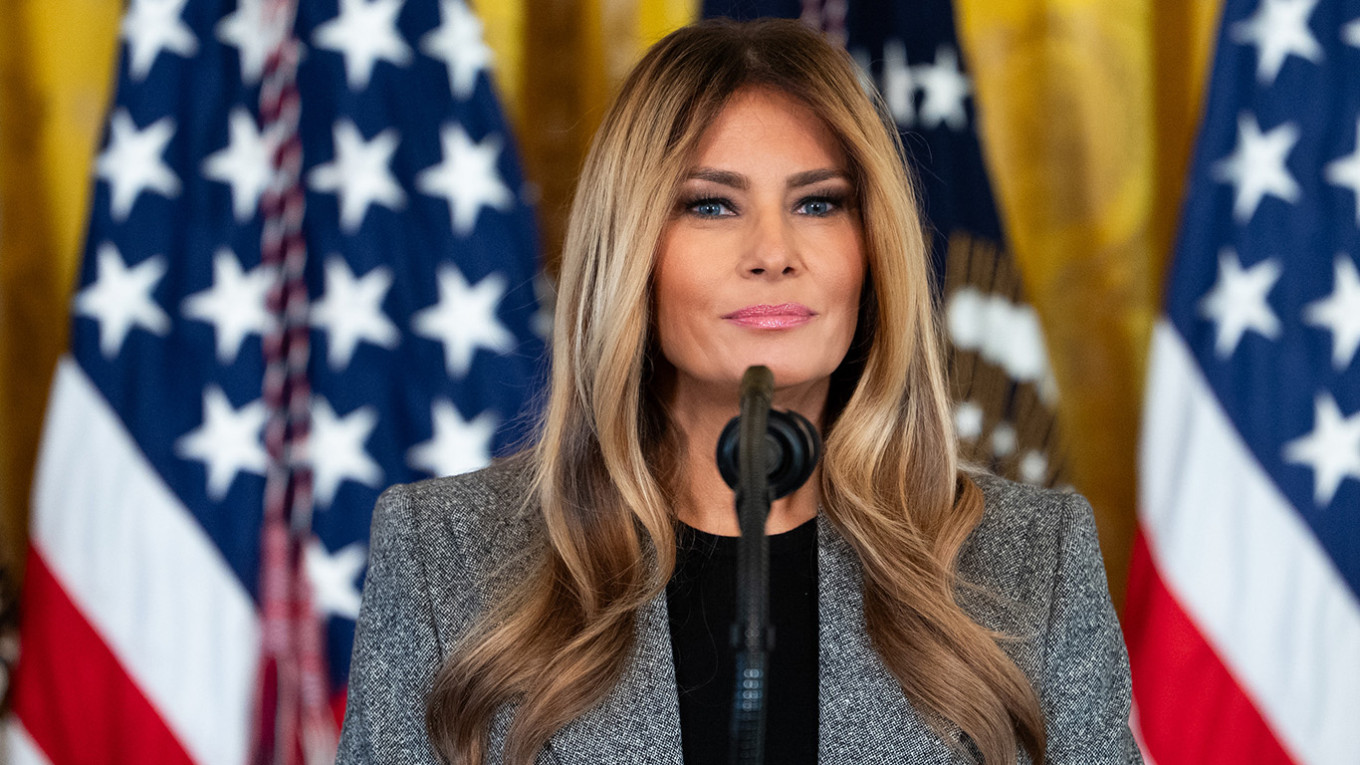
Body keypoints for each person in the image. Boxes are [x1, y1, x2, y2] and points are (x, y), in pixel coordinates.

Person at [337, 17, 1139, 765]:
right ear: (632, 253)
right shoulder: (443, 556)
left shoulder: (1034, 560)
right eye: (711, 205)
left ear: (872, 251)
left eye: (818, 203)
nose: (772, 252)